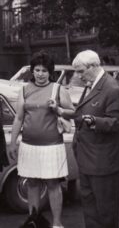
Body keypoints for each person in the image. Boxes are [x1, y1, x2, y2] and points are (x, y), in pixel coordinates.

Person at [9, 50, 74, 228]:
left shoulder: (58, 89)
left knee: (53, 184)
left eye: (44, 70)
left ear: (50, 72)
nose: (40, 74)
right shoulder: (24, 90)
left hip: (52, 146)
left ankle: (57, 224)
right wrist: (13, 143)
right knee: (32, 183)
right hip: (29, 145)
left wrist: (58, 110)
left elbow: (73, 112)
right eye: (37, 70)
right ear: (32, 70)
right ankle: (34, 221)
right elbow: (19, 118)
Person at [72, 50, 119, 228]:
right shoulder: (92, 84)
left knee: (106, 214)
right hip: (88, 161)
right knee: (90, 211)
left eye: (80, 71)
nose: (78, 76)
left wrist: (96, 122)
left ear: (94, 66)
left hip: (104, 165)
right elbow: (83, 113)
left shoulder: (112, 88)